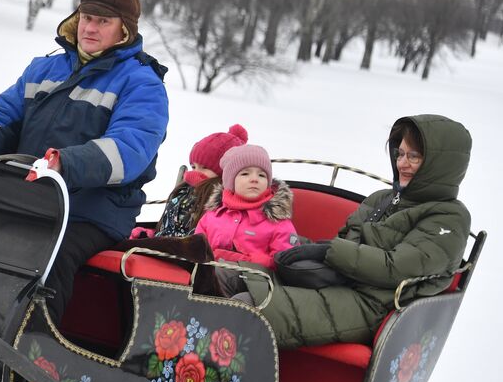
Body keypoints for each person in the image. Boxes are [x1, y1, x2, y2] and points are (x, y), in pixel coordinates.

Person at [0, 0, 169, 323]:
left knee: (49, 256)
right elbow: (3, 115)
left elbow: (129, 150)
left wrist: (66, 163)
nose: (91, 27)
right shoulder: (44, 68)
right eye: (87, 17)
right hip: (31, 195)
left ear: (124, 32)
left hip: (93, 212)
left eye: (104, 22)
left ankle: (32, 354)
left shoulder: (142, 84)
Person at [234, 115, 471, 348]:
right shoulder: (382, 198)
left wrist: (331, 250)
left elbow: (397, 267)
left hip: (371, 305)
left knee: (244, 307)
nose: (402, 163)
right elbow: (347, 238)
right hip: (335, 281)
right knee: (226, 276)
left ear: (438, 166)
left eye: (414, 156)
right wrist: (300, 246)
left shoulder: (449, 218)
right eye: (400, 154)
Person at [194, 144, 297, 269]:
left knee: (220, 275)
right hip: (207, 274)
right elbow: (195, 250)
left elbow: (286, 262)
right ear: (231, 181)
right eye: (245, 174)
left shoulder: (278, 222)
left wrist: (244, 260)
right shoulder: (212, 216)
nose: (254, 179)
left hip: (254, 281)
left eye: (262, 175)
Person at [149, 124, 248, 237]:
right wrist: (152, 234)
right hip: (165, 245)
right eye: (194, 167)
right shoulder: (185, 190)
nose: (196, 172)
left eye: (205, 168)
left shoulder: (220, 201)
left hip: (189, 251)